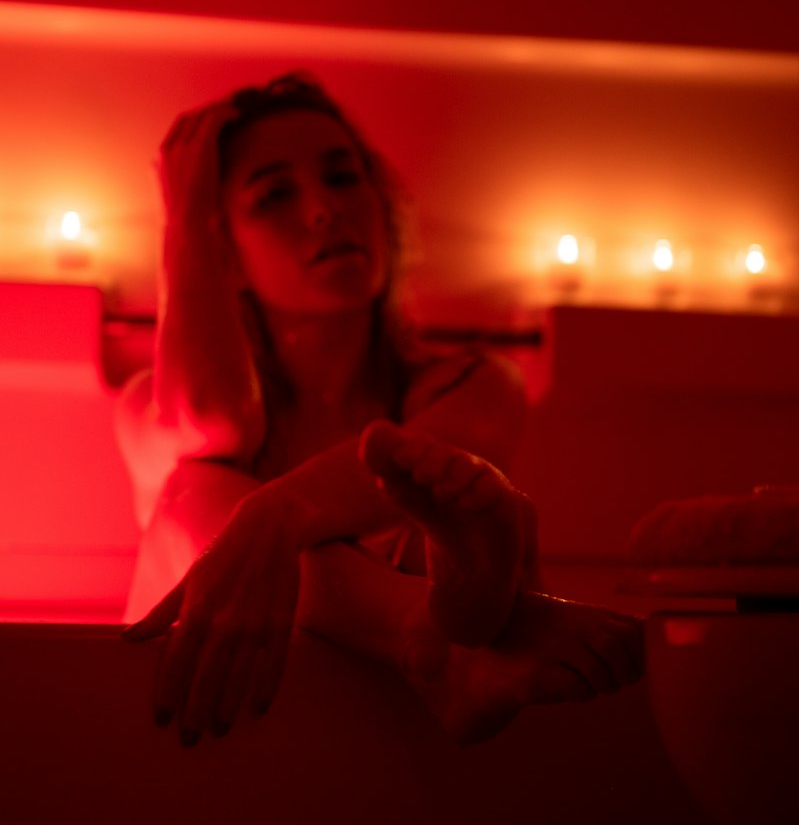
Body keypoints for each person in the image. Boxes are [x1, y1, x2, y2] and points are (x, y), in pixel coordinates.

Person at [115, 73, 644, 748]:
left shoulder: (471, 383)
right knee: (197, 483)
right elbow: (212, 421)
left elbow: (439, 469)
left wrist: (275, 516)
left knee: (424, 497)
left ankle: (449, 625)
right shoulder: (144, 407)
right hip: (188, 733)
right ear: (226, 254)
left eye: (342, 177)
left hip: (372, 755)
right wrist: (186, 222)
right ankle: (438, 637)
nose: (324, 209)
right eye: (275, 193)